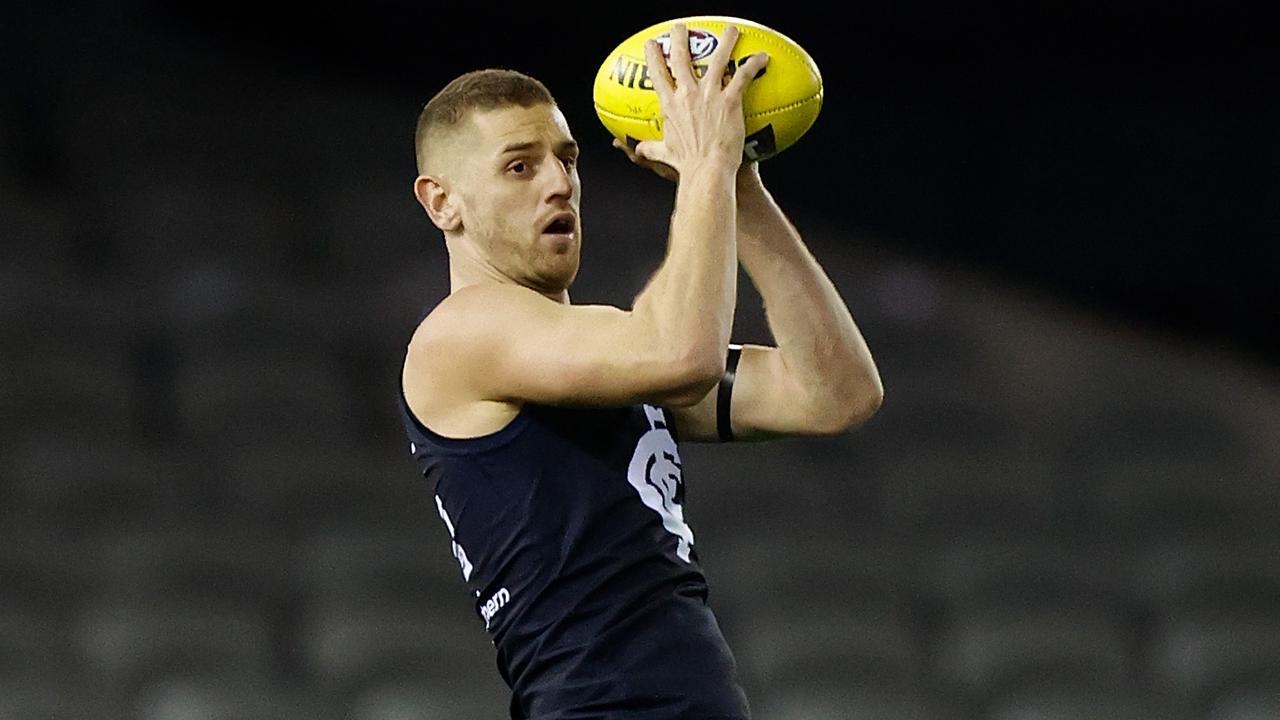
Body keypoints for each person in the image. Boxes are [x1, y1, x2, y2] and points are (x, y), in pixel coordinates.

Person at [397, 23, 883, 720]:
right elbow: (684, 355)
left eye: (567, 159)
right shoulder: (461, 334)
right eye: (519, 166)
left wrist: (741, 186)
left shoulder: (598, 357)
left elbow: (835, 394)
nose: (559, 183)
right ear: (441, 201)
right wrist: (706, 165)